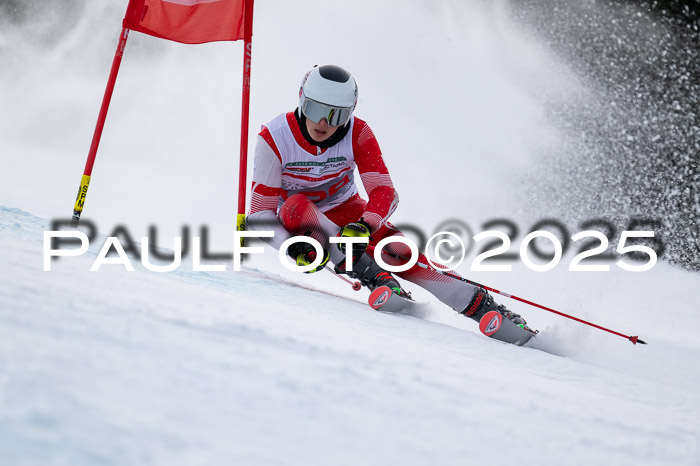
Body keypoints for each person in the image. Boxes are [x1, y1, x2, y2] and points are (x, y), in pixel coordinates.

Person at [246, 64, 527, 327]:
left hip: (344, 209)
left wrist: (365, 226)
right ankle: (373, 275)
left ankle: (483, 306)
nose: (323, 122)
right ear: (301, 100)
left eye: (336, 115)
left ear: (350, 113)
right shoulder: (275, 137)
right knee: (297, 206)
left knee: (398, 253)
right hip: (299, 223)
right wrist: (290, 248)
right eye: (314, 108)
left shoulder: (358, 132)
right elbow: (259, 216)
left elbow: (385, 192)